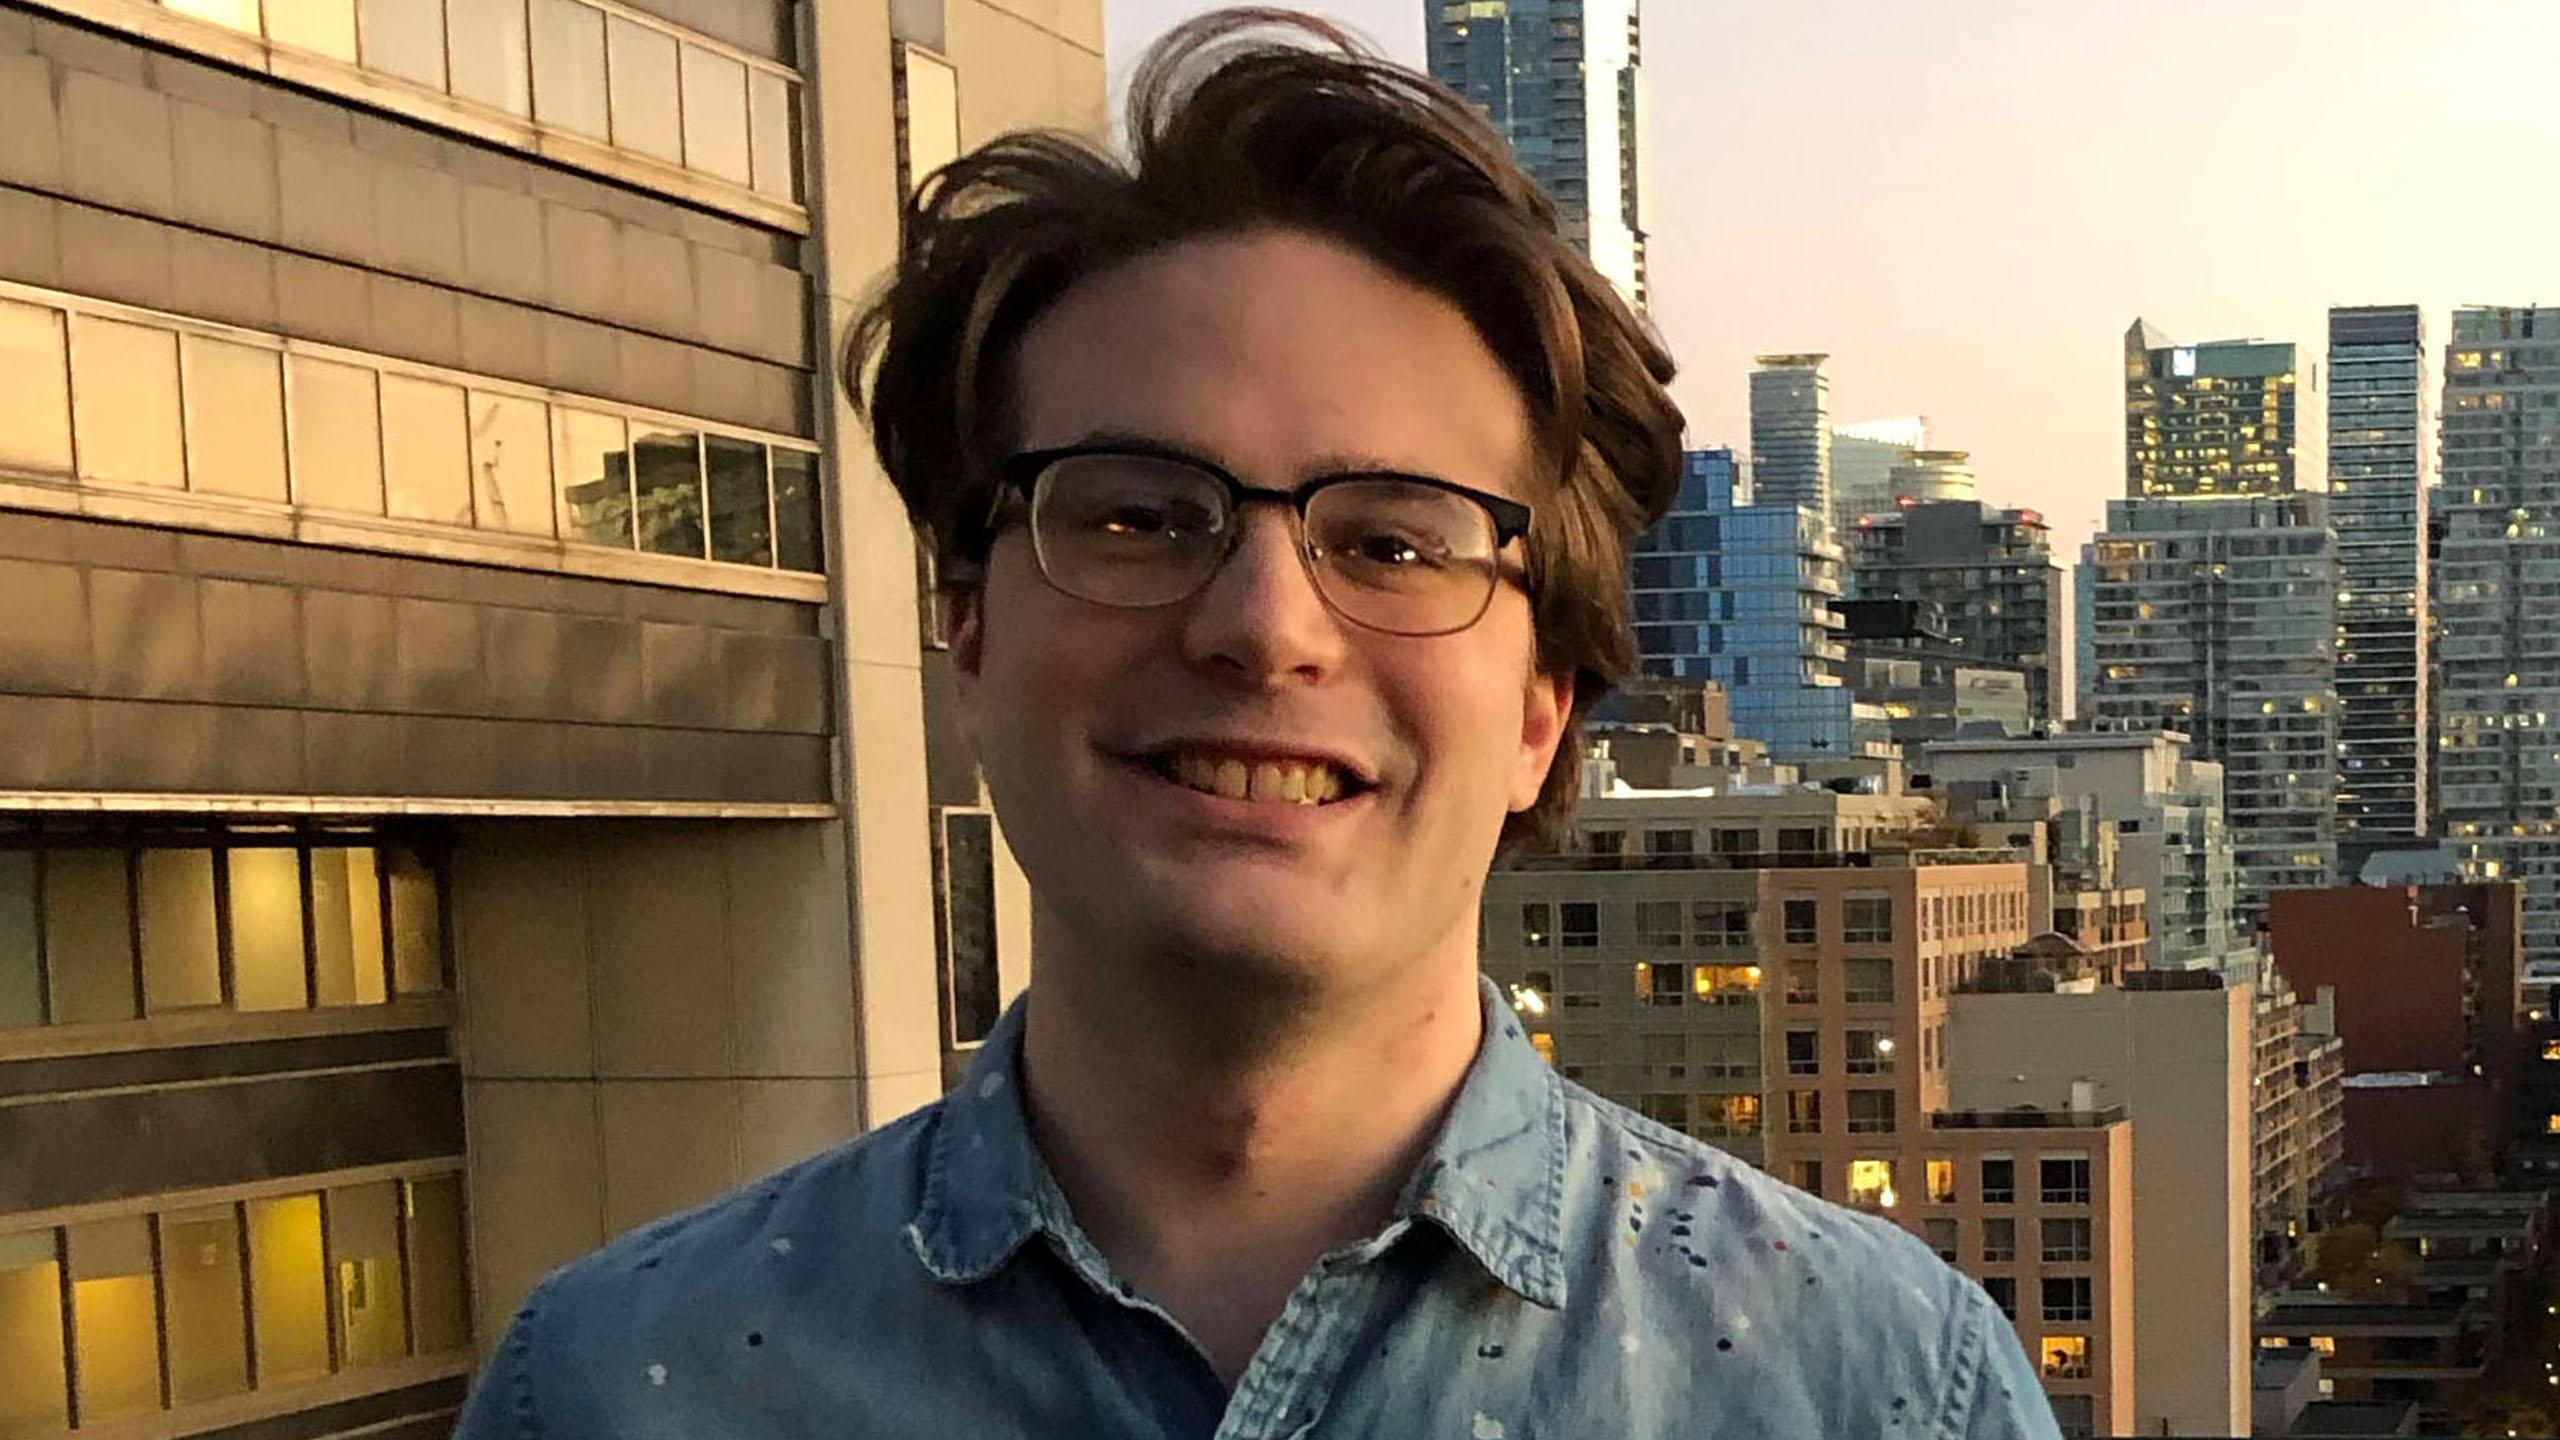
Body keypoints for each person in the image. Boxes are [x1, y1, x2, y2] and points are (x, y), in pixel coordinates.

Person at [453, 9, 2060, 1437]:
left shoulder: (1880, 1386)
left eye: (1392, 540)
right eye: (1140, 518)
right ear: (967, 627)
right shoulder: (615, 1386)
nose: (1263, 626)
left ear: (1539, 714)